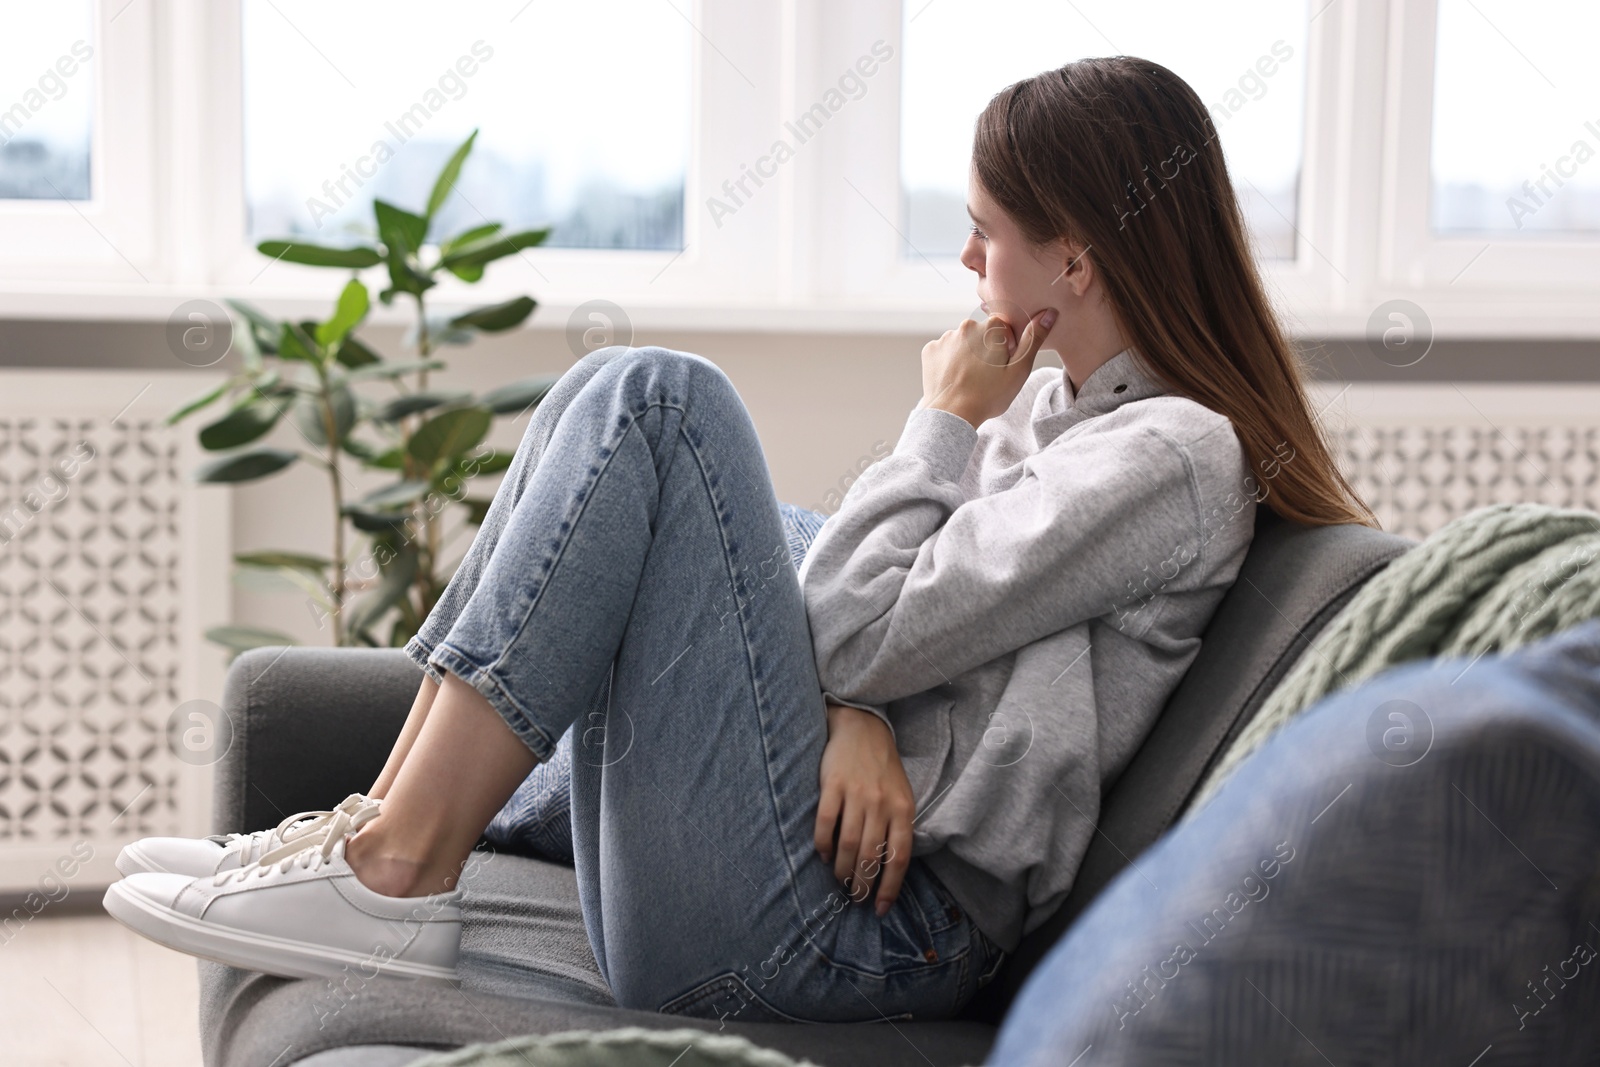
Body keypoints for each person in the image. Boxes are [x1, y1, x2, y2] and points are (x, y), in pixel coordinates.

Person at [104, 55, 1371, 1024]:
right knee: (617, 396)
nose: (969, 257)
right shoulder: (1050, 403)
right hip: (813, 866)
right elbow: (858, 594)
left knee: (662, 398)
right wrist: (851, 714)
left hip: (869, 925)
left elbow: (855, 620)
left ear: (1077, 260)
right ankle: (375, 832)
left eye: (988, 229)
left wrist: (935, 422)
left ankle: (394, 867)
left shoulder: (1167, 459)